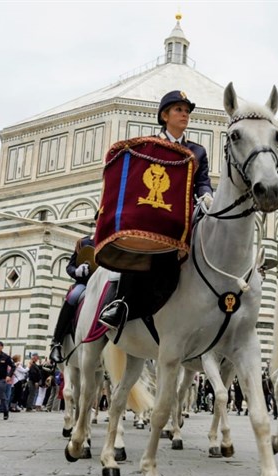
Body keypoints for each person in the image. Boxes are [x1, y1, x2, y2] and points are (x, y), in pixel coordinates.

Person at [99, 89, 213, 330]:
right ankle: (121, 303)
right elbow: (132, 181)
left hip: (180, 222)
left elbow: (201, 182)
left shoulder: (197, 151)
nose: (185, 115)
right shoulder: (148, 146)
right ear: (164, 116)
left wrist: (206, 195)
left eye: (186, 111)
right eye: (179, 110)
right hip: (151, 218)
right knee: (138, 249)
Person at [50, 234, 95, 363]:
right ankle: (56, 342)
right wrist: (77, 271)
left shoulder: (112, 237)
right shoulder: (83, 242)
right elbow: (70, 266)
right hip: (85, 284)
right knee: (73, 296)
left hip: (104, 282)